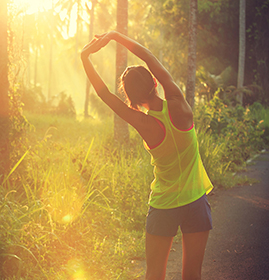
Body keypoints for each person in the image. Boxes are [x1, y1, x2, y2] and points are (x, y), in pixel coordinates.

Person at [81, 31, 213, 280]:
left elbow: (104, 95)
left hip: (163, 205)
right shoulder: (178, 102)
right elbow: (149, 56)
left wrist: (84, 57)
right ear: (155, 82)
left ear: (132, 99)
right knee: (192, 275)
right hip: (195, 201)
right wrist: (114, 36)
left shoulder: (143, 124)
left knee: (154, 274)